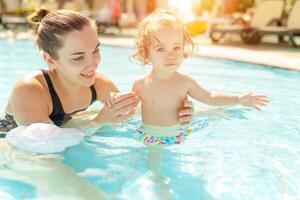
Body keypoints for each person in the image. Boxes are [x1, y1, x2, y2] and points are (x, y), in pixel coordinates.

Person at [0, 8, 194, 133]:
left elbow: (134, 117)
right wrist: (99, 120)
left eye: (96, 50)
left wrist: (176, 112)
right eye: (78, 57)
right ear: (50, 59)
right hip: (9, 144)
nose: (92, 64)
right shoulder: (30, 90)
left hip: (65, 127)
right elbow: (45, 146)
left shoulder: (99, 85)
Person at [129, 9, 269, 145]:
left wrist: (238, 99)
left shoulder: (185, 82)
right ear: (146, 54)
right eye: (161, 49)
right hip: (149, 136)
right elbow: (128, 111)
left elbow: (210, 97)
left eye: (176, 47)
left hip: (178, 135)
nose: (170, 55)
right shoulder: (140, 85)